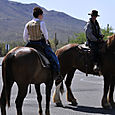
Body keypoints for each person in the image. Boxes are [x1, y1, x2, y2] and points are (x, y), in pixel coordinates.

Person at [23, 7, 60, 76]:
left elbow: (25, 37)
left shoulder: (27, 24)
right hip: (40, 43)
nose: (42, 16)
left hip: (30, 43)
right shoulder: (41, 23)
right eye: (42, 15)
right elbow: (46, 35)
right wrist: (46, 41)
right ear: (40, 15)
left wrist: (29, 40)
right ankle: (57, 73)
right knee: (53, 57)